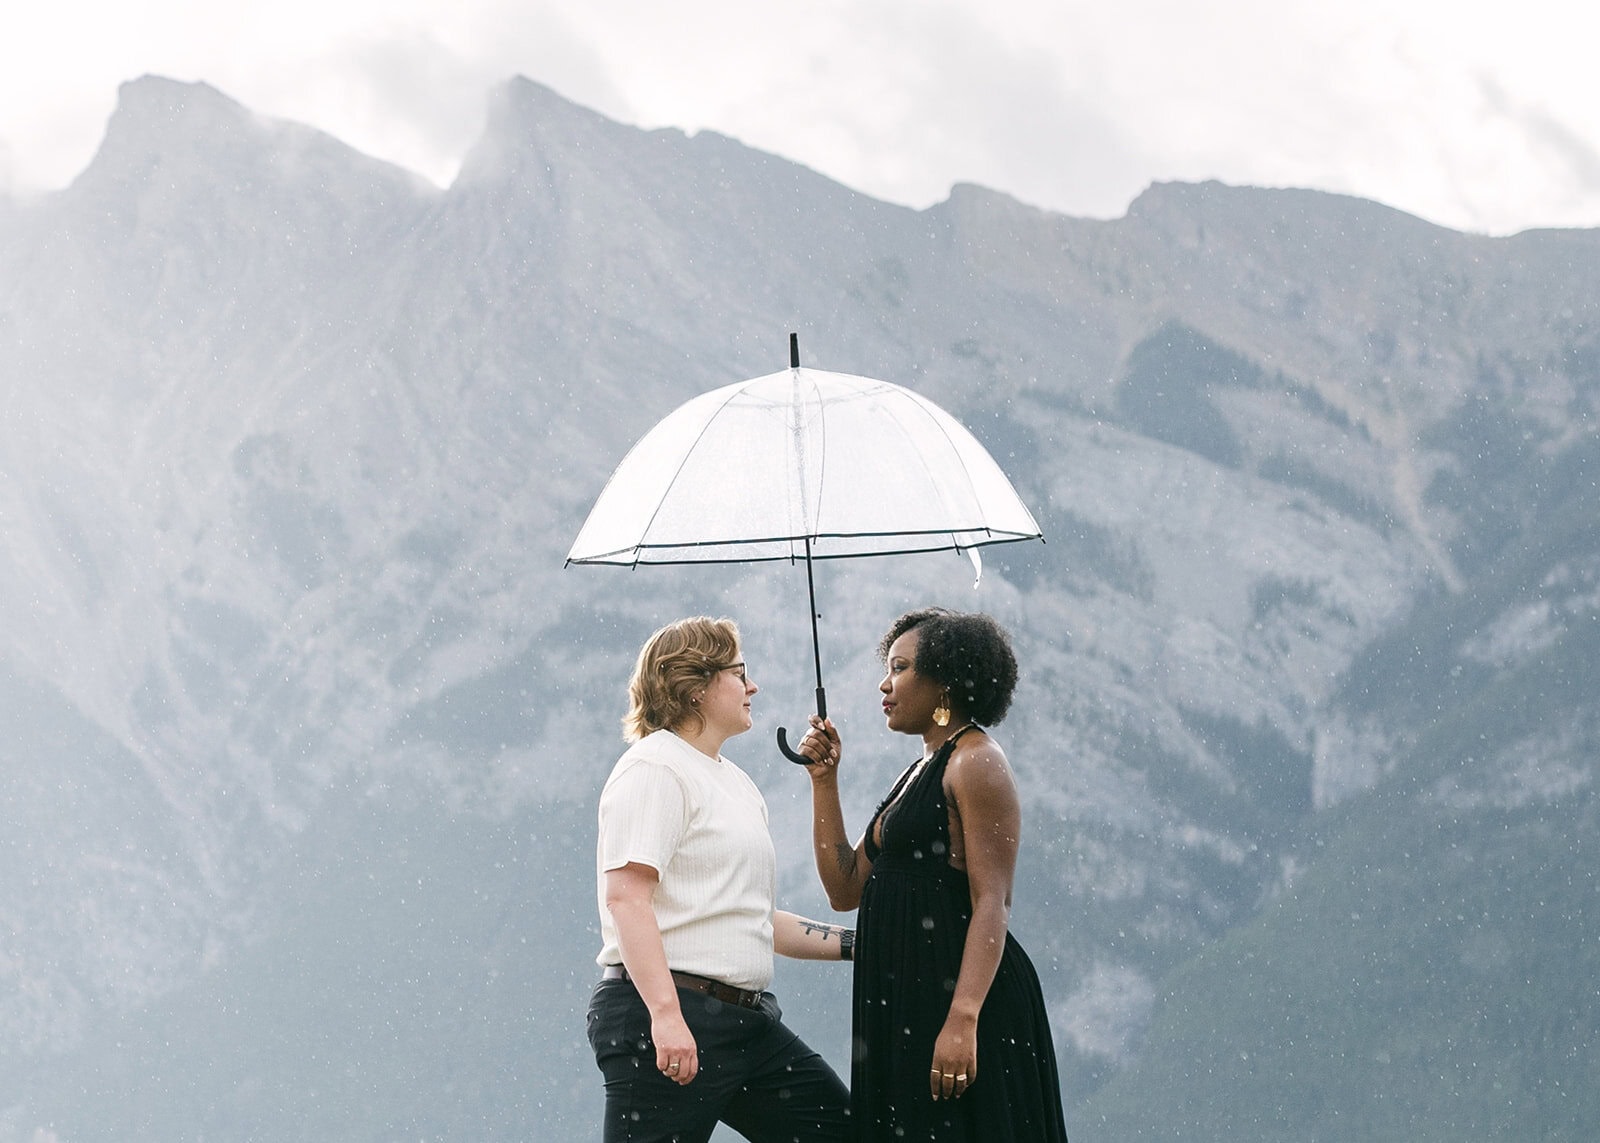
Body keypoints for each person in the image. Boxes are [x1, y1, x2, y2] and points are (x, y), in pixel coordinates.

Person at [799, 607, 1069, 1142]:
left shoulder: (976, 761)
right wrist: (823, 780)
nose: (885, 682)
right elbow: (845, 887)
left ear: (944, 681)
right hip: (905, 1001)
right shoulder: (920, 768)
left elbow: (993, 900)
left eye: (900, 667)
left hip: (959, 1003)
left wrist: (963, 1016)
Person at [588, 616, 853, 1143]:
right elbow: (627, 898)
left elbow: (749, 919)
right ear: (696, 687)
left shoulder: (735, 782)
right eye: (740, 671)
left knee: (846, 1133)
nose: (752, 685)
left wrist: (861, 944)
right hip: (669, 1015)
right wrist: (665, 1017)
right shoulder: (654, 768)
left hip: (745, 1024)